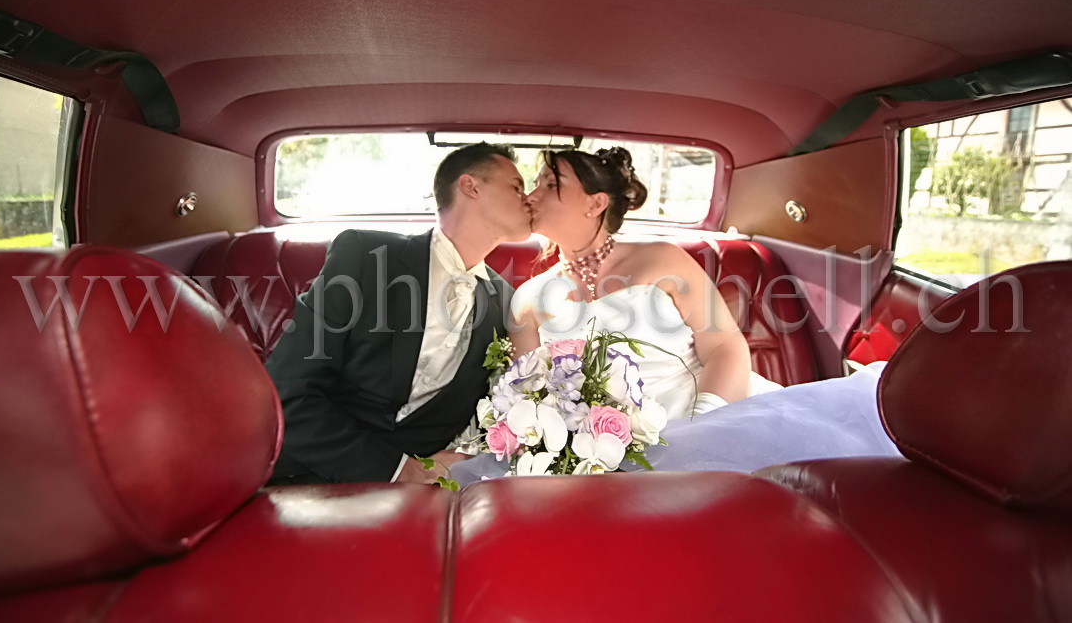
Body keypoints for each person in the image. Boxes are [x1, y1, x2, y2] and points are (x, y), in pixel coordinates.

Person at [449, 147, 899, 484]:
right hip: (600, 449)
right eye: (534, 183)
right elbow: (527, 392)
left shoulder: (662, 259)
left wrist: (704, 427)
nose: (532, 194)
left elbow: (725, 347)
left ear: (595, 203)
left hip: (716, 416)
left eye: (550, 184)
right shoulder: (527, 298)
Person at [266, 142, 531, 484]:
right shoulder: (366, 256)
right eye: (516, 186)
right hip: (308, 472)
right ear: (471, 186)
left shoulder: (506, 302)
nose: (528, 198)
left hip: (428, 490)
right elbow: (287, 389)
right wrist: (399, 470)